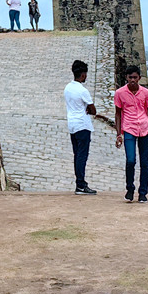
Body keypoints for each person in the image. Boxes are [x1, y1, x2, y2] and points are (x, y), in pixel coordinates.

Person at [114, 66, 148, 203]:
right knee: (131, 160)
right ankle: (130, 188)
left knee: (144, 163)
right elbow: (118, 114)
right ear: (126, 77)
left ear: (139, 78)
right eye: (130, 77)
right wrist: (118, 133)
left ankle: (143, 192)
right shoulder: (120, 93)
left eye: (135, 77)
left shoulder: (145, 92)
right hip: (129, 128)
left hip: (144, 128)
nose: (132, 80)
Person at [64, 59, 97, 195]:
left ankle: (80, 183)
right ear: (83, 74)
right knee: (82, 156)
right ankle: (81, 184)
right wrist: (89, 110)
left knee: (77, 155)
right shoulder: (83, 91)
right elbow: (93, 110)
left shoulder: (67, 88)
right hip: (83, 125)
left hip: (72, 124)